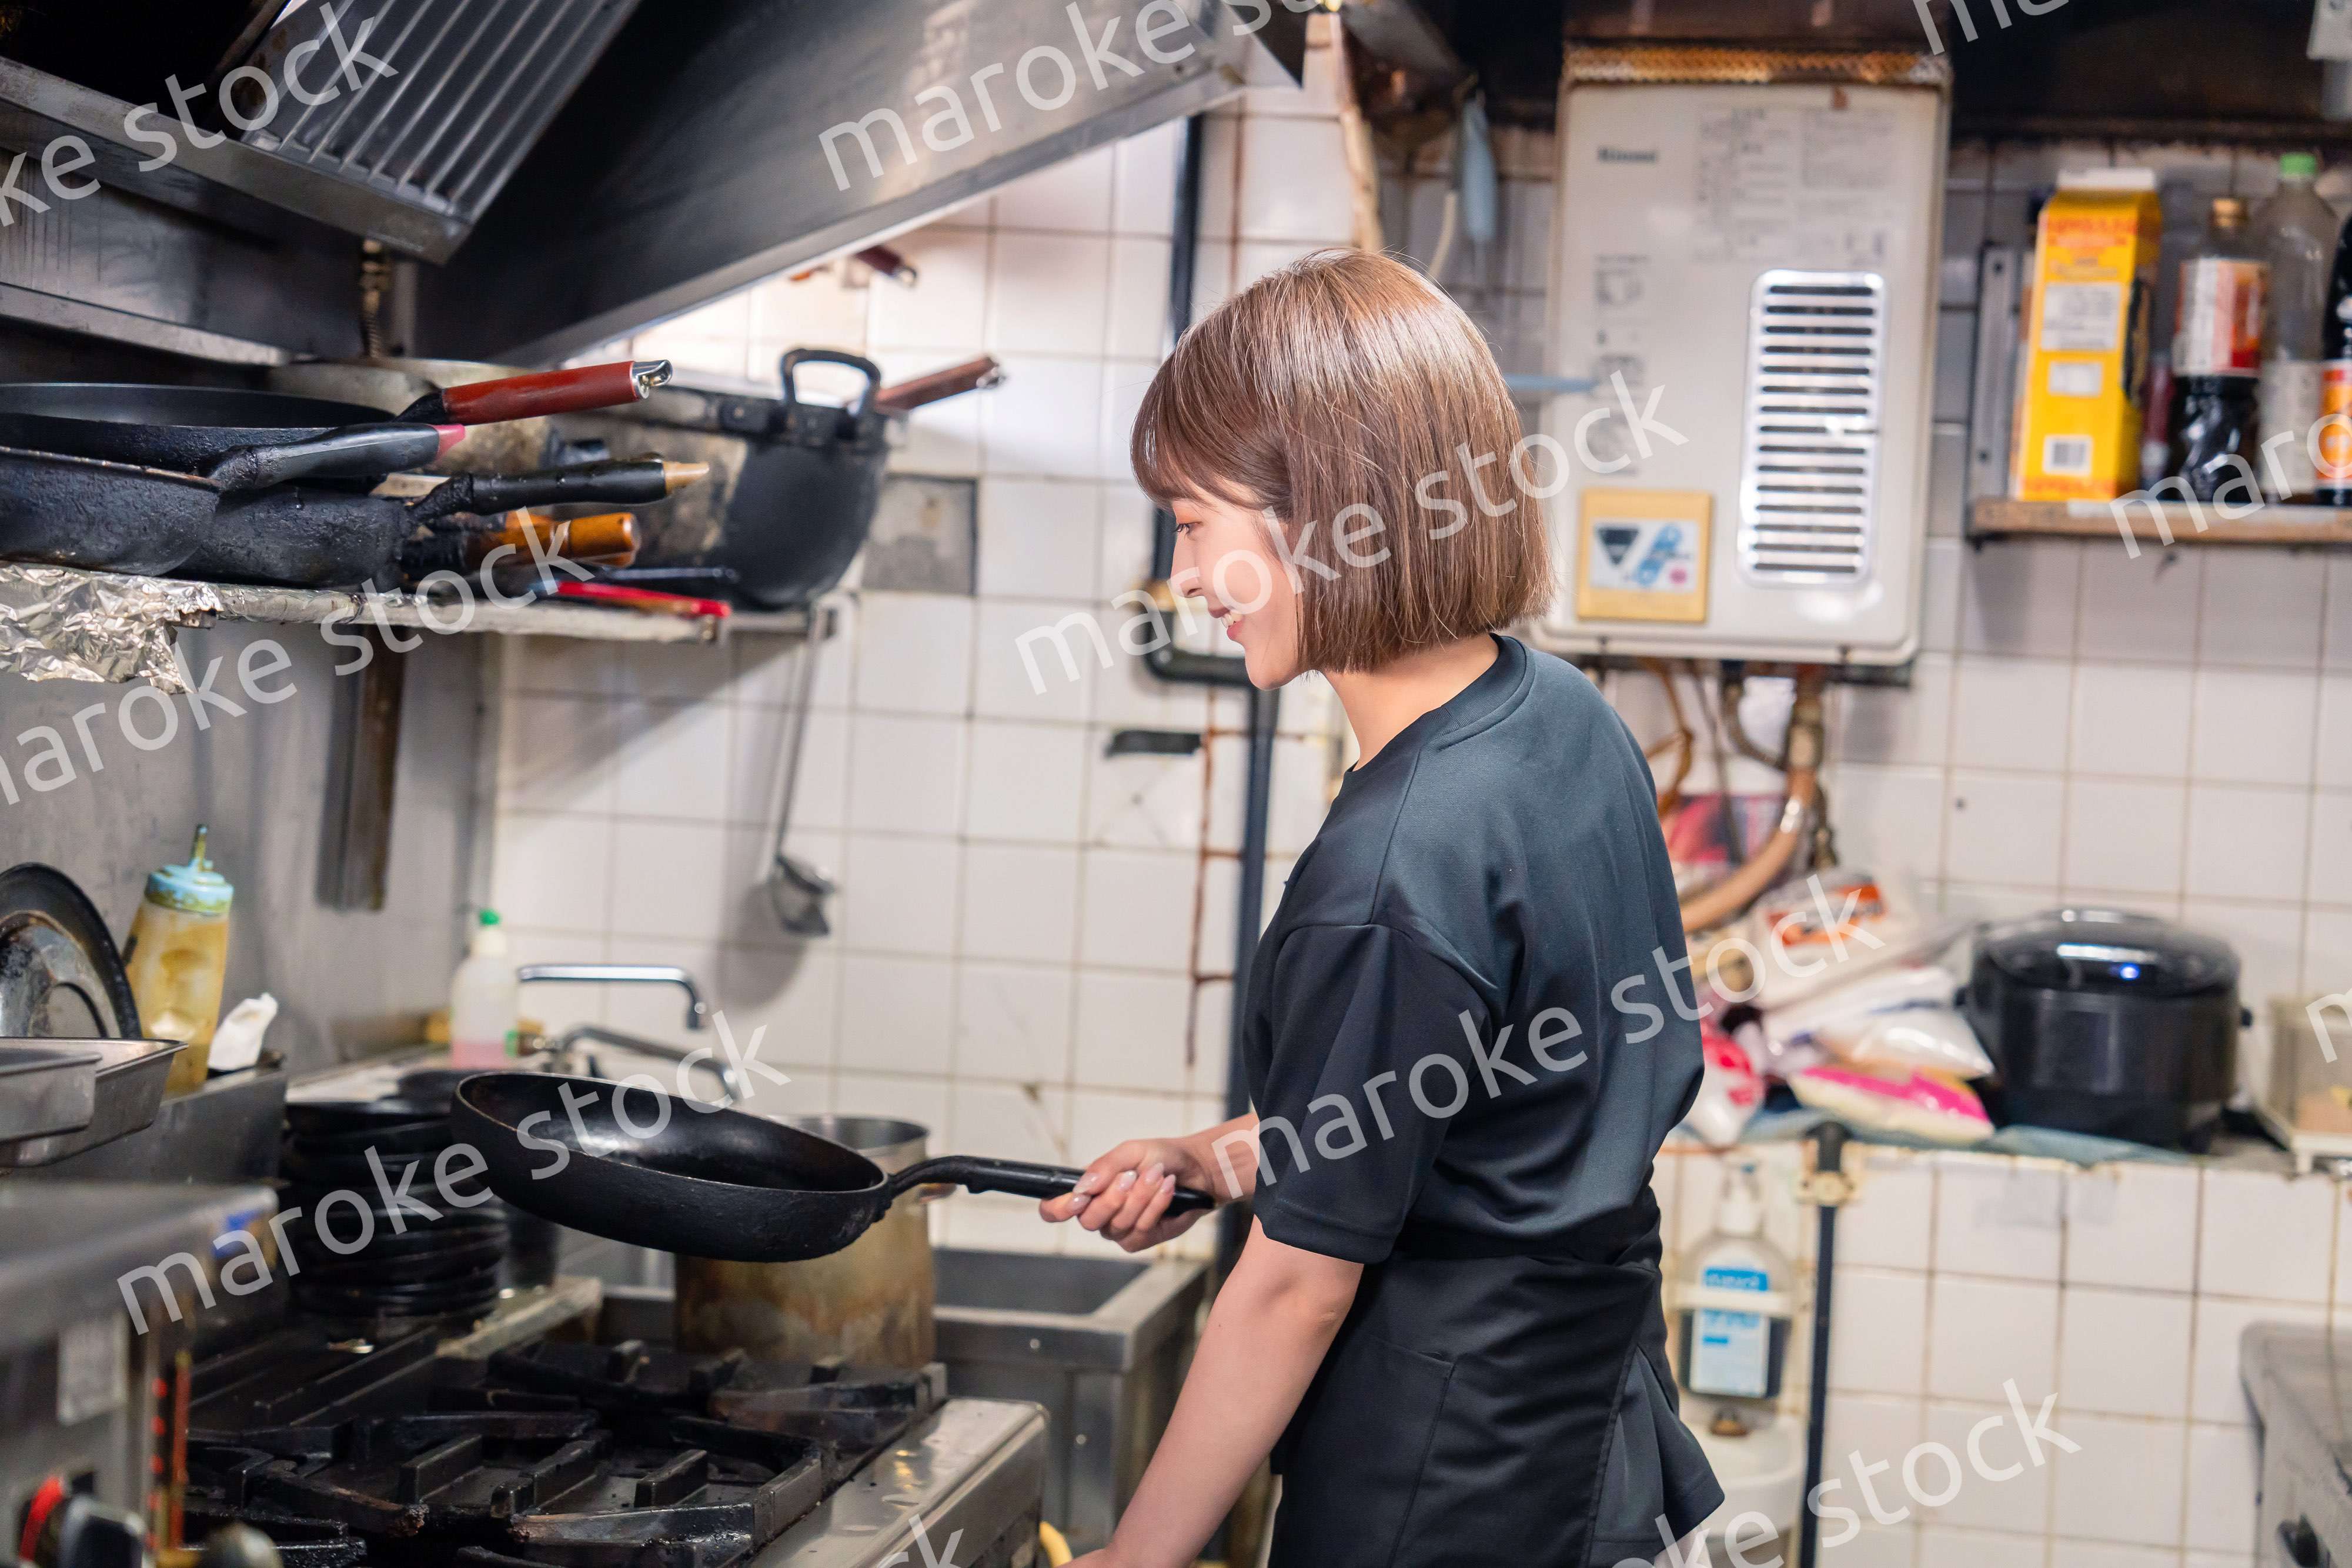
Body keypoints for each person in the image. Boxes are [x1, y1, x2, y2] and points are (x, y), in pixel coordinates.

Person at [1038, 249, 1723, 1568]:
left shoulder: (1394, 861)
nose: (1179, 574)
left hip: (1437, 1484)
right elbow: (1457, 1097)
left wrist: (1134, 1558)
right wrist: (1218, 1158)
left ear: (1322, 512)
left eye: (1190, 522)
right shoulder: (1557, 717)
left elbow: (1292, 1288)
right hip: (1580, 1443)